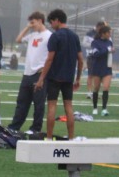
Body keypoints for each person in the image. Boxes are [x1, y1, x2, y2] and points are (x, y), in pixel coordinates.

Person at [35, 9, 83, 140]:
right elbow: (80, 59)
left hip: (54, 77)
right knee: (69, 107)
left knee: (52, 106)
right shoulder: (75, 36)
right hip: (68, 78)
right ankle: (71, 138)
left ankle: (49, 137)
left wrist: (41, 78)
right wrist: (78, 78)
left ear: (57, 20)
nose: (51, 25)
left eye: (51, 22)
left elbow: (49, 59)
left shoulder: (55, 36)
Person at [7, 11, 52, 135]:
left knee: (38, 104)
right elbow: (18, 40)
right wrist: (27, 27)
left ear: (40, 21)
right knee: (22, 102)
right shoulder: (32, 35)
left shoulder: (49, 36)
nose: (32, 25)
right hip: (27, 73)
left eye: (33, 22)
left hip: (39, 73)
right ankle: (14, 126)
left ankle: (35, 128)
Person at [87, 24, 114, 116]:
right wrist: (107, 50)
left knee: (106, 88)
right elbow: (96, 54)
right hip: (97, 68)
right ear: (103, 33)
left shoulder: (110, 42)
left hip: (107, 68)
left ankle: (104, 109)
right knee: (96, 88)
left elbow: (109, 53)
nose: (110, 34)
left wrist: (111, 51)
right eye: (108, 33)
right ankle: (95, 108)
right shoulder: (95, 42)